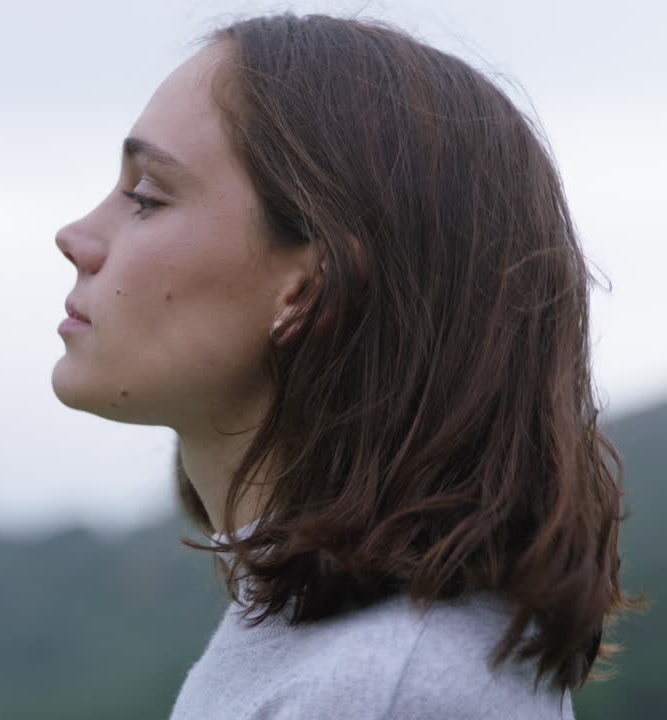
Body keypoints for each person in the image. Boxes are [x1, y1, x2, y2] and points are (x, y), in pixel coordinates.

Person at [51, 13, 638, 719]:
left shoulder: (387, 688)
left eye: (147, 197)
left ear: (308, 286)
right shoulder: (333, 656)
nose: (76, 236)